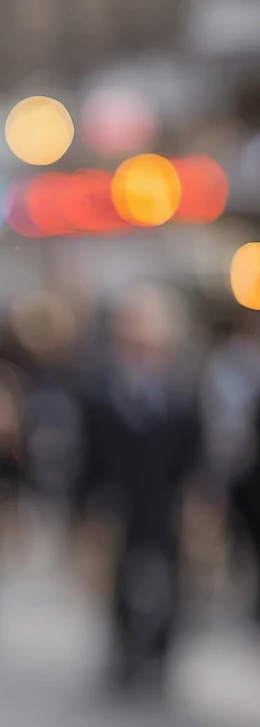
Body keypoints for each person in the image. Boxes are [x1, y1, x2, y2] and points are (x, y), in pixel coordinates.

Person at [75, 281, 202, 691]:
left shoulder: (182, 389)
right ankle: (124, 652)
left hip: (164, 504)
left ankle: (160, 655)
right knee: (118, 580)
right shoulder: (101, 388)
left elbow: (195, 454)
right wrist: (85, 512)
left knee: (168, 583)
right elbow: (88, 456)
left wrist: (199, 507)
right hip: (116, 502)